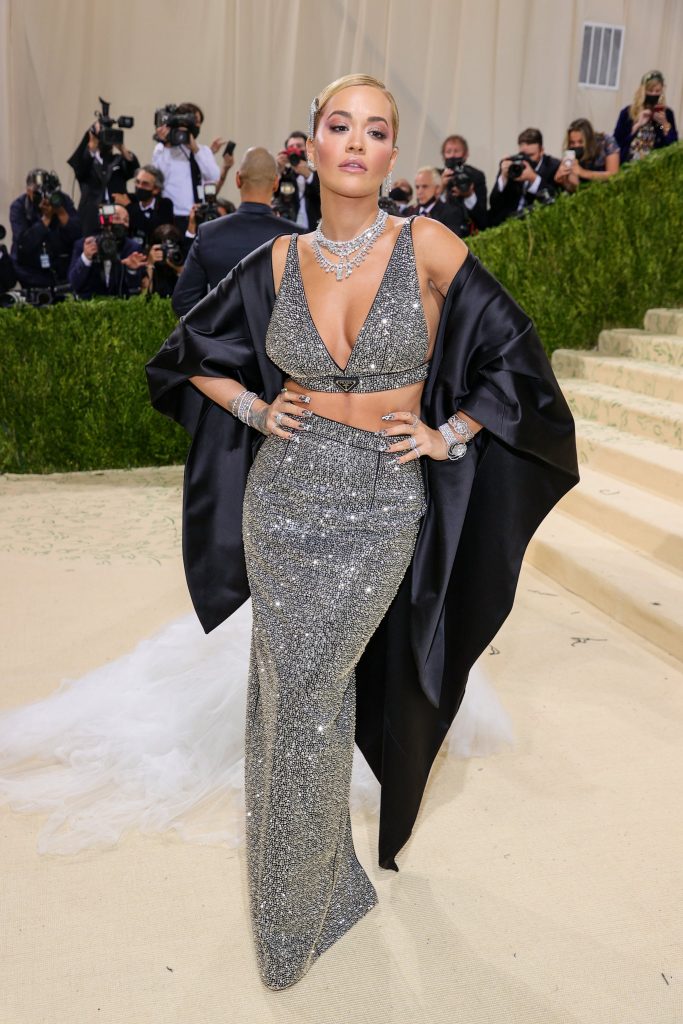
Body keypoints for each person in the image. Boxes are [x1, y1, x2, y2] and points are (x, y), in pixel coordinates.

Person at [145, 73, 578, 989]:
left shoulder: (426, 243)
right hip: (282, 498)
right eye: (339, 126)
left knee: (308, 688)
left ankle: (292, 910)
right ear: (311, 145)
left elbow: (515, 352)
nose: (355, 142)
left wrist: (451, 432)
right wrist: (255, 410)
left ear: (390, 153)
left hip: (381, 502)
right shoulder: (276, 259)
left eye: (375, 130)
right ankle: (315, 893)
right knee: (289, 694)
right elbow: (187, 354)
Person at [173, 147, 302, 316]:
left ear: (238, 179)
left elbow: (182, 302)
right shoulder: (297, 237)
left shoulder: (208, 233)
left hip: (222, 331)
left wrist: (216, 327)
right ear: (276, 183)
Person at [152, 102, 220, 231]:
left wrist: (195, 150)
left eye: (199, 123)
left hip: (199, 214)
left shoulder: (203, 151)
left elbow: (214, 176)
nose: (197, 126)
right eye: (195, 121)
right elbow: (159, 179)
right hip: (174, 216)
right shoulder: (162, 149)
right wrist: (167, 145)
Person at [9, 169, 81, 288]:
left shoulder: (62, 200)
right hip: (29, 271)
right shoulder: (19, 207)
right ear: (29, 191)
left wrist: (61, 213)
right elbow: (24, 244)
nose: (44, 198)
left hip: (61, 269)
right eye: (38, 193)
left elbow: (78, 234)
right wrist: (46, 219)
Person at [67, 117, 139, 236]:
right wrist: (92, 144)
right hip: (92, 214)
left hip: (116, 212)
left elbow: (134, 170)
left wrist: (122, 147)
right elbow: (80, 171)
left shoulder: (118, 160)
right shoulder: (87, 160)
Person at [68, 203, 147, 299]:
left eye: (126, 220)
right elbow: (74, 284)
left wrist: (131, 270)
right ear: (105, 220)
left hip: (119, 303)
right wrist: (86, 258)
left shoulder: (132, 248)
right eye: (117, 218)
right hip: (89, 303)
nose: (122, 223)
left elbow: (134, 288)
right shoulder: (85, 244)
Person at [489, 128, 560, 227]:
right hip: (508, 224)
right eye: (523, 155)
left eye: (531, 155)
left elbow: (555, 198)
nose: (526, 159)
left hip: (538, 223)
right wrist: (503, 177)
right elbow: (494, 203)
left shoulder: (553, 166)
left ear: (541, 151)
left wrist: (533, 178)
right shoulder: (513, 164)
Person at [613, 70, 678, 164]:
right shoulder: (627, 113)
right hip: (629, 165)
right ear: (643, 91)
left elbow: (673, 146)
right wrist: (637, 125)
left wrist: (663, 124)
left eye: (657, 91)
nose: (654, 94)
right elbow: (616, 144)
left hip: (654, 166)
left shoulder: (667, 114)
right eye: (650, 91)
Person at [554, 118, 620, 194]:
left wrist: (583, 173)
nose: (576, 145)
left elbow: (613, 175)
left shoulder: (606, 142)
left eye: (580, 142)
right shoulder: (571, 153)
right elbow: (575, 189)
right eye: (572, 142)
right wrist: (564, 181)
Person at [115, 165, 175, 247]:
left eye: (145, 184)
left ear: (156, 190)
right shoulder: (129, 199)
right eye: (137, 182)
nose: (139, 186)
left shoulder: (165, 204)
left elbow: (155, 231)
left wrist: (129, 207)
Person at [439, 134, 487, 232]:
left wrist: (469, 195)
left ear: (465, 154)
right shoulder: (436, 176)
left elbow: (482, 216)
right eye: (448, 152)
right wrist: (441, 187)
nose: (452, 155)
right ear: (443, 155)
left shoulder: (476, 175)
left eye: (456, 151)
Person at [274, 131, 321, 227]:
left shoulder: (319, 174)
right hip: (289, 229)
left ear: (307, 150)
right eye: (291, 147)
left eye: (299, 146)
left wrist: (308, 175)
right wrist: (278, 170)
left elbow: (323, 196)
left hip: (314, 229)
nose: (295, 149)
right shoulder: (285, 175)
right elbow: (274, 195)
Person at [412, 166, 469, 235]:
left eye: (425, 186)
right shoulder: (408, 212)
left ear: (437, 189)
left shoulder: (451, 213)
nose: (419, 192)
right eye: (417, 187)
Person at [142, 223, 185, 298]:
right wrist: (150, 265)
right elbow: (143, 297)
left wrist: (180, 270)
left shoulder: (185, 261)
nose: (169, 252)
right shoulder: (144, 263)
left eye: (173, 248)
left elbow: (191, 296)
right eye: (165, 248)